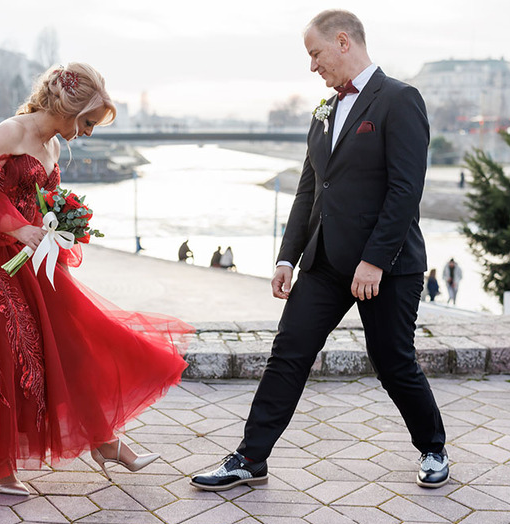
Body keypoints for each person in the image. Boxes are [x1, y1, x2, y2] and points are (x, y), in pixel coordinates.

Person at [0, 64, 193, 496]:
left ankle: (105, 441)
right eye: (89, 122)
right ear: (69, 108)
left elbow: (43, 203)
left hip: (29, 262)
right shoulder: (10, 131)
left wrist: (59, 228)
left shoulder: (54, 147)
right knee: (6, 352)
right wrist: (19, 227)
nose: (89, 133)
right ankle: (1, 464)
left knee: (72, 343)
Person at [191, 10, 448, 492]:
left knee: (393, 360)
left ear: (344, 41)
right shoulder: (323, 111)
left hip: (387, 267)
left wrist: (374, 260)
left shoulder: (400, 99)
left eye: (315, 53)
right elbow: (309, 191)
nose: (312, 66)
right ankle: (250, 457)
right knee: (288, 352)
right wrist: (287, 257)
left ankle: (432, 446)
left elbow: (405, 190)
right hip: (325, 262)